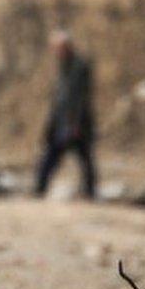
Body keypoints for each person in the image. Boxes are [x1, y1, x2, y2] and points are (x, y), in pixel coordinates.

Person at [35, 30, 97, 199]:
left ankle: (89, 192)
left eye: (58, 48)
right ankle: (39, 189)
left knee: (82, 159)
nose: (55, 52)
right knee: (53, 157)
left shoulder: (79, 67)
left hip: (74, 123)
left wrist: (75, 124)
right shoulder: (65, 66)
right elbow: (60, 98)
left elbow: (79, 99)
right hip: (62, 122)